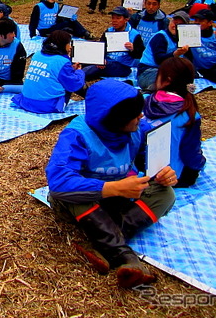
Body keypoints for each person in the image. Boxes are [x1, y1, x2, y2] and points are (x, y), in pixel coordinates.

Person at [46, 80, 177, 288]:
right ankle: (124, 256)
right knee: (75, 193)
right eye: (134, 114)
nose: (141, 116)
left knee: (166, 194)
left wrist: (164, 174)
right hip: (83, 203)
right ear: (116, 119)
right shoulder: (77, 134)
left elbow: (151, 162)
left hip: (117, 198)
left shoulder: (138, 129)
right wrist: (113, 188)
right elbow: (59, 182)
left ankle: (101, 242)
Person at [143, 57, 206, 188]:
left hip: (136, 172)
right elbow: (190, 153)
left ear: (167, 80)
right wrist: (201, 163)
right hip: (168, 178)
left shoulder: (142, 100)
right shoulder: (189, 115)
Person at [12, 30, 85, 113]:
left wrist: (69, 70)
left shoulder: (37, 54)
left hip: (26, 101)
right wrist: (79, 72)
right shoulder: (62, 61)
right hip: (47, 105)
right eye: (69, 44)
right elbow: (74, 85)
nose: (70, 47)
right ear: (63, 45)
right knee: (70, 81)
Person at [82, 7, 144, 80]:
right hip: (107, 61)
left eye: (118, 18)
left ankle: (77, 77)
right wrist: (100, 59)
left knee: (96, 68)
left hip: (123, 66)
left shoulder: (134, 34)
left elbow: (140, 54)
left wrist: (133, 49)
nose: (114, 21)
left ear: (126, 19)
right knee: (84, 60)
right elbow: (101, 47)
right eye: (113, 18)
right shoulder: (109, 31)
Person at [137, 11, 191, 92]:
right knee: (170, 83)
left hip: (167, 72)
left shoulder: (183, 39)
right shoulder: (160, 37)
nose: (174, 26)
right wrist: (175, 54)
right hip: (148, 71)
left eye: (179, 24)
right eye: (174, 22)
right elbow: (159, 60)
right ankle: (151, 90)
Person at [29, 0, 93, 39]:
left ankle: (85, 33)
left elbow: (59, 18)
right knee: (67, 30)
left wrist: (69, 17)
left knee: (71, 22)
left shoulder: (56, 5)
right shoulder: (39, 6)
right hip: (44, 30)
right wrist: (32, 35)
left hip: (54, 27)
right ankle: (84, 33)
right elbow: (33, 22)